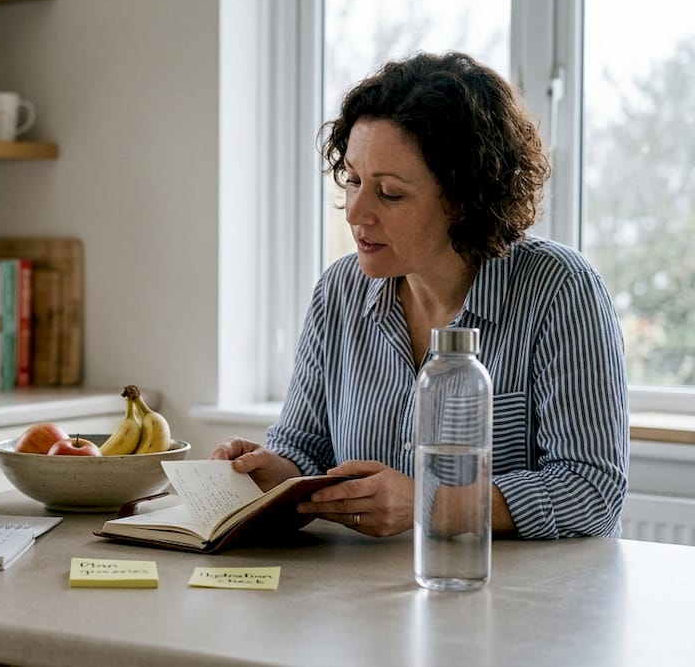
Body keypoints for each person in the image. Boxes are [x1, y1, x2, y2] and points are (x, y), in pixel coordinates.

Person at [212, 51, 628, 541]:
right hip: (372, 602)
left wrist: (427, 503)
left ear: (464, 199)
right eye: (353, 179)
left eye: (389, 193)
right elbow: (305, 449)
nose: (355, 212)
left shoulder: (560, 289)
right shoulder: (339, 290)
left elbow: (592, 490)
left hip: (522, 604)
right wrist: (274, 475)